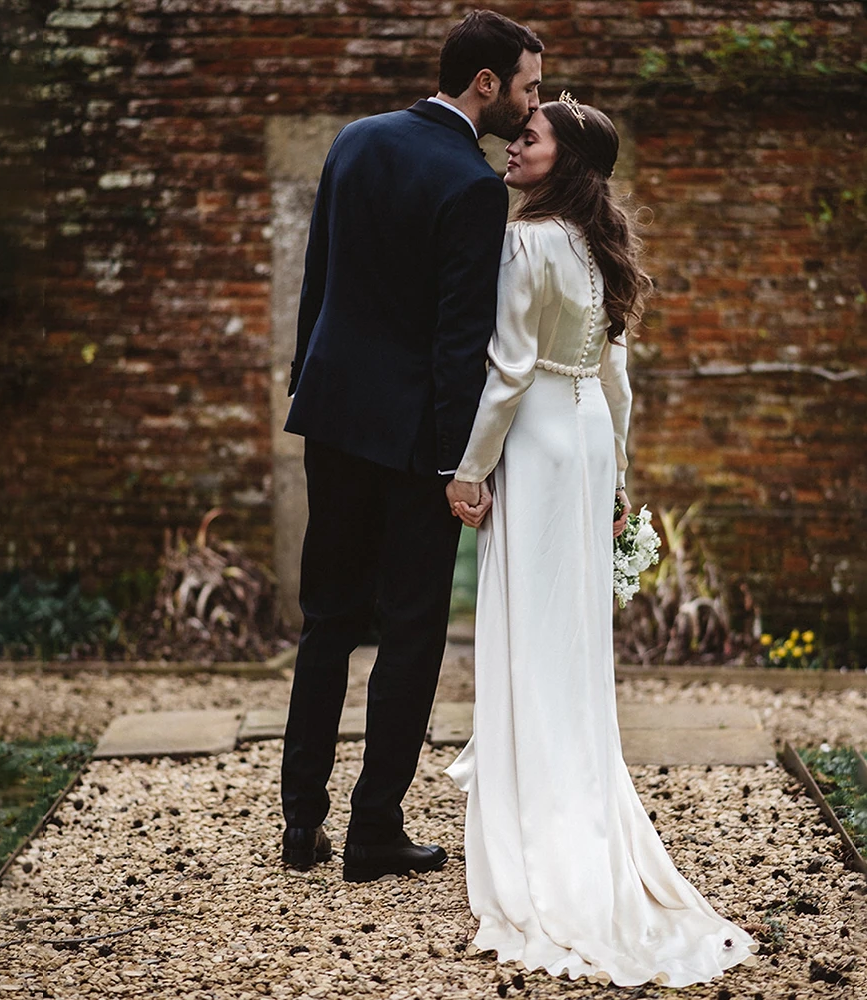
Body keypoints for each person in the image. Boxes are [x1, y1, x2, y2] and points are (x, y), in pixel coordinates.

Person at [445, 96, 759, 987]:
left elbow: (507, 370)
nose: (513, 144)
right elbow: (616, 372)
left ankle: (538, 811)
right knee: (573, 631)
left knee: (533, 630)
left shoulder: (531, 240)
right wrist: (618, 471)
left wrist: (471, 469)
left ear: (565, 159)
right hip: (584, 442)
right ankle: (573, 788)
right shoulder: (596, 242)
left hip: (539, 440)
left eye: (530, 137)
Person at [280, 10, 544, 884]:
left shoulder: (357, 140)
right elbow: (457, 341)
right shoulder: (471, 187)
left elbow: (319, 274)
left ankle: (300, 823)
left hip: (332, 415)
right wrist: (457, 467)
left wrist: (302, 380)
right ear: (484, 85)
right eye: (527, 86)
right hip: (407, 445)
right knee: (411, 631)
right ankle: (374, 832)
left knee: (325, 621)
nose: (529, 102)